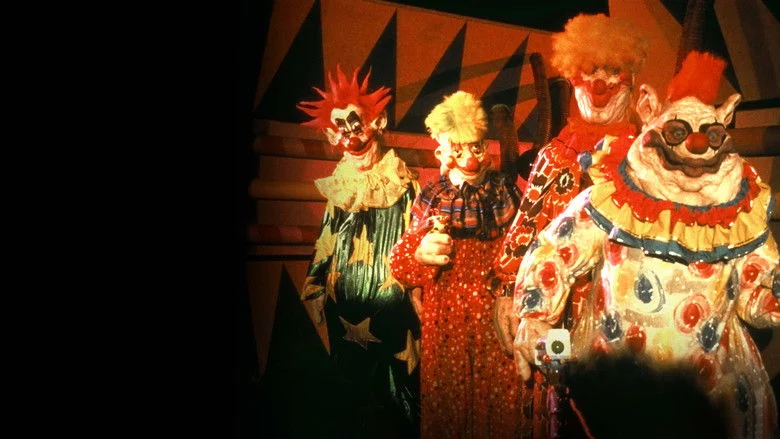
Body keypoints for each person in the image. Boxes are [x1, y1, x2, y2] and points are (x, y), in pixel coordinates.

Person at [512, 51, 779, 439]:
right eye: (678, 132)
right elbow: (555, 251)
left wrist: (773, 297)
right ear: (650, 114)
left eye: (711, 135)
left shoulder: (737, 213)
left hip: (704, 399)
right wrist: (534, 317)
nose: (698, 145)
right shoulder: (614, 198)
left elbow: (756, 293)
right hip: (611, 391)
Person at [488, 14, 648, 437]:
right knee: (561, 409)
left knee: (620, 413)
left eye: (612, 71)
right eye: (589, 71)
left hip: (625, 315)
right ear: (574, 79)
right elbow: (526, 225)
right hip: (557, 316)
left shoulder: (646, 159)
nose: (599, 85)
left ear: (631, 80)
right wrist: (505, 289)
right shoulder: (555, 155)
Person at [389, 91, 524, 438]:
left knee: (500, 404)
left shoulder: (505, 193)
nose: (470, 159)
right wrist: (421, 256)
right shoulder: (433, 196)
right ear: (442, 152)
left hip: (496, 313)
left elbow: (525, 248)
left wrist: (512, 290)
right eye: (459, 149)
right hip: (446, 319)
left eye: (476, 148)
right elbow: (400, 264)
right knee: (449, 405)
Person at [296, 66, 421, 438]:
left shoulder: (404, 182)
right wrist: (314, 285)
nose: (352, 138)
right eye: (342, 129)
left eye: (357, 125)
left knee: (402, 393)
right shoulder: (340, 185)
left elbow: (418, 236)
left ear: (378, 122)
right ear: (332, 135)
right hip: (344, 310)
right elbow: (327, 237)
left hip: (394, 310)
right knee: (350, 391)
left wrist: (419, 290)